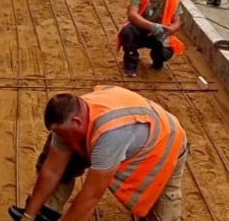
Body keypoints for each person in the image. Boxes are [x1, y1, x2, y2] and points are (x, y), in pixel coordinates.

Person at [19, 86, 189, 221]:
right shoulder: (69, 114)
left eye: (63, 135)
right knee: (67, 157)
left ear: (77, 122)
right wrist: (28, 215)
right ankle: (46, 210)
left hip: (165, 141)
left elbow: (91, 196)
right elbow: (51, 171)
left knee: (163, 201)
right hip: (131, 131)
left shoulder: (110, 135)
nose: (61, 138)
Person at [116, 0, 185, 77]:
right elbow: (132, 15)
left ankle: (158, 62)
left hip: (159, 33)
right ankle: (130, 65)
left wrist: (166, 31)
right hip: (139, 29)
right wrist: (152, 26)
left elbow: (178, 21)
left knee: (167, 50)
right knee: (128, 31)